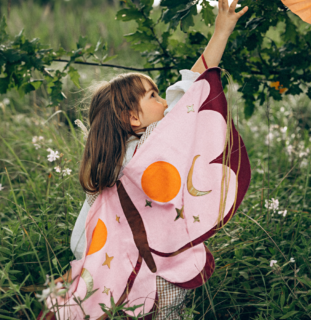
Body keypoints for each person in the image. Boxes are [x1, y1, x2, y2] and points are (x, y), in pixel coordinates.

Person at [51, 1, 248, 319]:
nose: (163, 99)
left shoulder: (106, 166)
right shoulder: (149, 146)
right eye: (153, 96)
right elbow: (190, 87)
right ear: (132, 118)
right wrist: (221, 31)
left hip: (123, 273)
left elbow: (83, 235)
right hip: (165, 268)